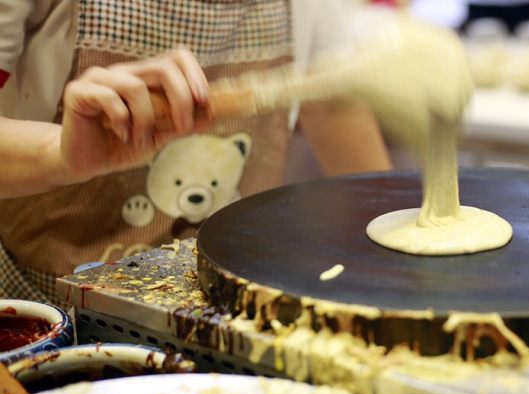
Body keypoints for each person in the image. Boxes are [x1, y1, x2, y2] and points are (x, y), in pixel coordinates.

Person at [0, 0, 392, 304]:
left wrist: (403, 246)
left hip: (228, 316)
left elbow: (330, 96)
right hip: (48, 318)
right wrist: (59, 152)